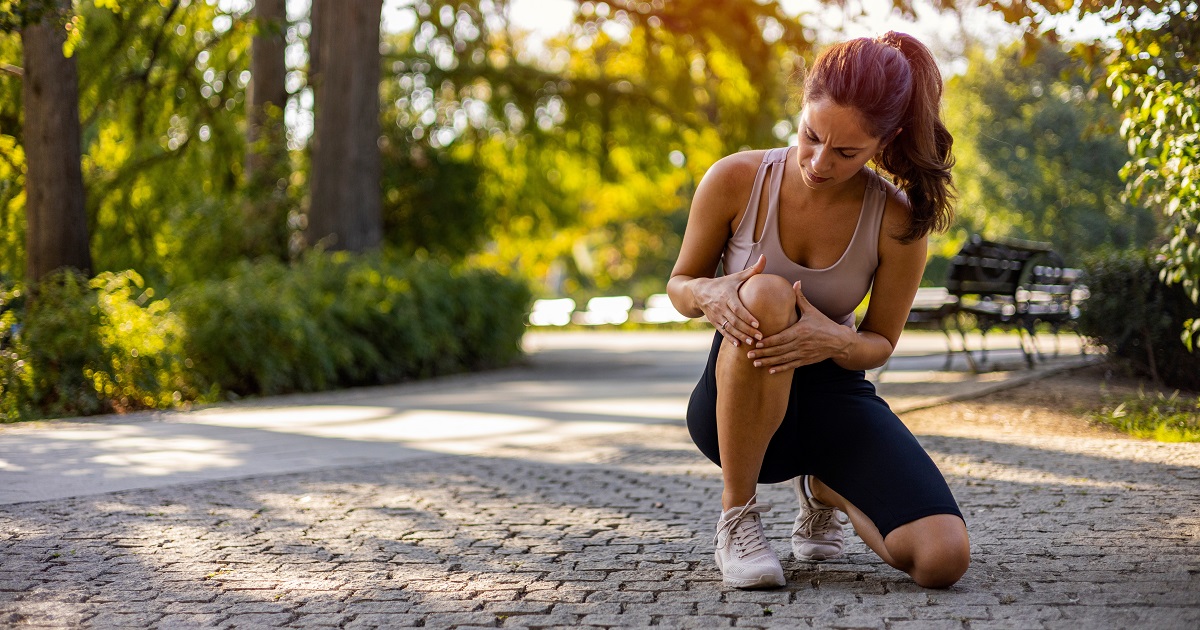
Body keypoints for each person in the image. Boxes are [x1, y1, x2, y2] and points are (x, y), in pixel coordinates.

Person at [666, 32, 970, 590]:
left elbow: (879, 344)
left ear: (886, 140)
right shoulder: (735, 179)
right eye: (811, 136)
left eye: (847, 153)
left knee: (942, 559)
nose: (819, 162)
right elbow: (680, 283)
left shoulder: (896, 220)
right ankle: (738, 518)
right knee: (766, 294)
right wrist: (708, 294)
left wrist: (832, 341)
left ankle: (826, 486)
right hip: (734, 411)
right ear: (802, 106)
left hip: (835, 401)